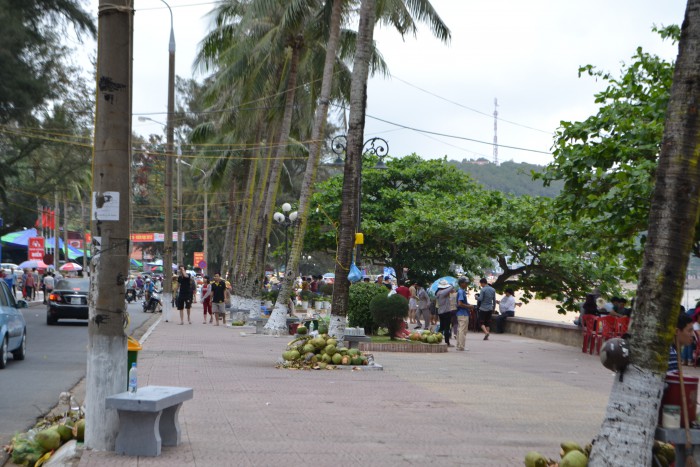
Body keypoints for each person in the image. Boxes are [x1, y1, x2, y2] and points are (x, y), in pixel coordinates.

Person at [435, 279, 455, 347]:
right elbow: (451, 287)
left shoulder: (438, 292)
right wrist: (452, 284)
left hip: (441, 312)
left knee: (442, 327)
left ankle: (437, 339)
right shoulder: (442, 292)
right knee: (447, 328)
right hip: (446, 312)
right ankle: (447, 343)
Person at [455, 277, 473, 351]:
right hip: (463, 313)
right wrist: (469, 306)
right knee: (463, 330)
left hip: (460, 313)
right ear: (461, 283)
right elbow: (460, 303)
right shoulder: (461, 292)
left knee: (460, 330)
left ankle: (459, 345)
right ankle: (461, 346)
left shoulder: (459, 291)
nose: (466, 285)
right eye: (465, 283)